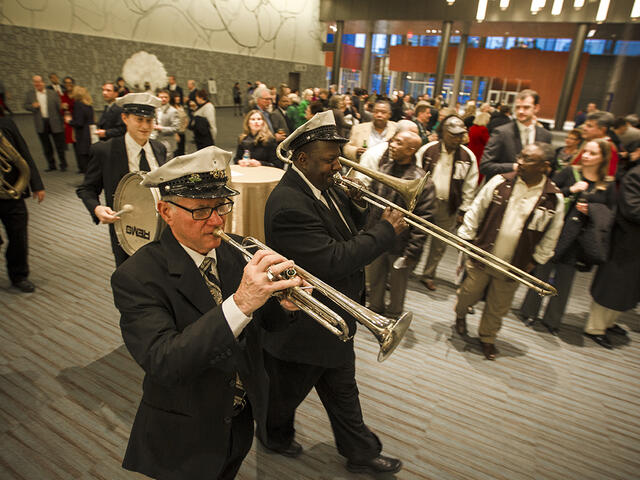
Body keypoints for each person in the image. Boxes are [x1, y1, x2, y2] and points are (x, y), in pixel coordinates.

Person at [111, 147, 303, 479]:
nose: (217, 220)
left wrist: (284, 306)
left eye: (221, 205)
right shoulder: (137, 276)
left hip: (240, 415)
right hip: (185, 432)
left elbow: (262, 326)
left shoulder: (236, 250)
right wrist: (241, 302)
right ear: (165, 211)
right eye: (200, 210)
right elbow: (165, 361)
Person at [259, 111, 407, 475]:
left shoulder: (321, 186)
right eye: (329, 160)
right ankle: (272, 436)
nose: (337, 166)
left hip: (334, 320)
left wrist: (358, 206)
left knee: (342, 390)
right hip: (303, 327)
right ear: (302, 159)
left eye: (337, 158)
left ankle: (359, 451)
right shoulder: (288, 205)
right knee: (283, 397)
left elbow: (345, 232)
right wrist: (385, 232)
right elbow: (331, 259)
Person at [455, 143, 564, 360]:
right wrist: (466, 238)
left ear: (545, 166)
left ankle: (487, 338)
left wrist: (537, 259)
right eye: (520, 155)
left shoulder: (553, 198)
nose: (520, 162)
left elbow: (553, 233)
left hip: (516, 263)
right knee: (469, 293)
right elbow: (477, 209)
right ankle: (460, 315)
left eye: (528, 159)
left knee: (499, 305)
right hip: (483, 253)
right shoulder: (500, 181)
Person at [518, 138, 615, 335]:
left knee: (565, 280)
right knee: (542, 273)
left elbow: (610, 212)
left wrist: (592, 210)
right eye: (585, 151)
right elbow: (548, 194)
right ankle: (529, 311)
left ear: (603, 158)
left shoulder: (607, 183)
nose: (586, 156)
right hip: (556, 233)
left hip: (578, 239)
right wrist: (571, 190)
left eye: (593, 153)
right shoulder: (571, 173)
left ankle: (552, 321)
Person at [76, 93, 167, 267]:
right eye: (139, 119)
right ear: (125, 118)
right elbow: (86, 189)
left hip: (162, 232)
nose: (145, 126)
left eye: (149, 121)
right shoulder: (105, 151)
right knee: (131, 282)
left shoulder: (159, 148)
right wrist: (97, 208)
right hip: (128, 232)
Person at [365, 131, 435, 317]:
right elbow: (371, 203)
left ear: (411, 150)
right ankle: (374, 313)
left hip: (400, 244)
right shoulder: (384, 168)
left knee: (398, 286)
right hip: (377, 238)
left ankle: (394, 317)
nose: (392, 144)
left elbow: (424, 220)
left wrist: (413, 251)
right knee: (375, 280)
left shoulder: (422, 181)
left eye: (398, 142)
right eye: (393, 140)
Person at [583, 146, 640, 348]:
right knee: (612, 286)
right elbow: (633, 209)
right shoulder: (635, 175)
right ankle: (595, 327)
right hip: (625, 242)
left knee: (628, 288)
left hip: (635, 245)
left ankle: (610, 322)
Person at [416, 115, 479, 291]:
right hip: (424, 203)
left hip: (448, 206)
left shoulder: (468, 157)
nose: (458, 138)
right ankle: (408, 268)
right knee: (416, 238)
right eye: (453, 134)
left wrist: (464, 209)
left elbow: (470, 185)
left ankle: (428, 275)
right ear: (443, 132)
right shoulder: (428, 150)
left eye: (461, 135)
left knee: (439, 245)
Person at [0, 117, 45, 292]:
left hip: (12, 193)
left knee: (19, 237)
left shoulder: (6, 124)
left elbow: (23, 154)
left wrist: (37, 184)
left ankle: (19, 275)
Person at [480, 89, 552, 181]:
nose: (521, 111)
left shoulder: (545, 135)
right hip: (505, 187)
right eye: (518, 107)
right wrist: (515, 167)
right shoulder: (501, 133)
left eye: (526, 107)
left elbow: (548, 165)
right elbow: (485, 166)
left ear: (536, 108)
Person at [24, 75, 67, 171]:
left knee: (59, 145)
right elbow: (25, 106)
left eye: (39, 81)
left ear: (43, 82)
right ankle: (51, 165)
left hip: (54, 122)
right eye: (35, 82)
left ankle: (63, 164)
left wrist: (62, 119)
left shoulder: (52, 93)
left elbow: (59, 107)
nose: (37, 84)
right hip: (41, 123)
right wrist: (32, 106)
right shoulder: (30, 94)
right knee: (46, 146)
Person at [572, 111, 619, 177]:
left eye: (589, 126)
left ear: (602, 130)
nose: (584, 128)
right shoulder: (590, 142)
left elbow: (607, 177)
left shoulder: (609, 148)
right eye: (585, 125)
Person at [64, 86, 95, 174]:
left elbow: (79, 123)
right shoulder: (88, 104)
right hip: (90, 133)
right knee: (90, 158)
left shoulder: (78, 104)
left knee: (83, 158)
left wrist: (69, 121)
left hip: (82, 135)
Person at [150, 89, 180, 159]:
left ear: (169, 98)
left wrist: (160, 128)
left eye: (166, 97)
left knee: (166, 164)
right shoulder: (154, 109)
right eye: (161, 97)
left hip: (167, 142)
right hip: (154, 139)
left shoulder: (173, 111)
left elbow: (176, 128)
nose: (163, 99)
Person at [467, 111, 491, 185]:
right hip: (479, 153)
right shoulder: (483, 129)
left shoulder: (472, 128)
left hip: (470, 150)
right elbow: (488, 142)